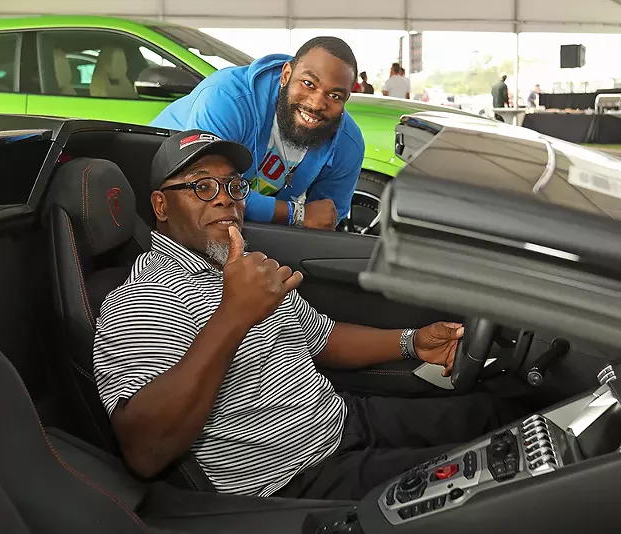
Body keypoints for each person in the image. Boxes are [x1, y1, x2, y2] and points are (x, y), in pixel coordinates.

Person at [93, 130, 520, 501]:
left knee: (500, 417)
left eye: (232, 185)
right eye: (201, 187)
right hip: (295, 478)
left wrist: (412, 341)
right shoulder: (142, 300)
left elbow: (325, 339)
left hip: (343, 421)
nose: (224, 198)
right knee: (501, 480)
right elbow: (145, 450)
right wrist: (233, 315)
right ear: (161, 206)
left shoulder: (245, 268)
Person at [150, 37, 365, 231]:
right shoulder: (228, 98)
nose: (317, 104)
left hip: (240, 224)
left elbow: (323, 219)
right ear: (286, 75)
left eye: (335, 95)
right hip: (162, 213)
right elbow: (208, 194)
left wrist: (299, 218)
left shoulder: (348, 145)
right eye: (308, 84)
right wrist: (296, 214)